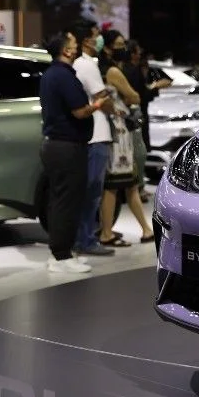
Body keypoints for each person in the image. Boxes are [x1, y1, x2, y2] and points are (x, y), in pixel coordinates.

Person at [40, 31, 110, 274]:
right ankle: (61, 256)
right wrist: (98, 105)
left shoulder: (51, 74)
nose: (77, 46)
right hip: (67, 147)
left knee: (61, 200)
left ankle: (63, 252)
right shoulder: (64, 76)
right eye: (73, 44)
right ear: (66, 51)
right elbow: (79, 111)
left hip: (57, 146)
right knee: (66, 202)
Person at [98, 30, 154, 246]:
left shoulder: (100, 69)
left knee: (125, 183)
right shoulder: (113, 71)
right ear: (108, 47)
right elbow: (134, 96)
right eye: (120, 44)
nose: (124, 49)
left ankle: (144, 229)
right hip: (119, 133)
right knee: (116, 184)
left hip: (113, 130)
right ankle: (107, 233)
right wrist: (130, 96)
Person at [71, 22, 116, 259]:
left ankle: (84, 237)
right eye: (96, 35)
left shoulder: (82, 64)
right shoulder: (86, 65)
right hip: (96, 135)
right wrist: (114, 107)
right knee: (92, 192)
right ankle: (86, 239)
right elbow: (102, 98)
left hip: (92, 135)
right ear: (87, 40)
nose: (99, 39)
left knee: (89, 191)